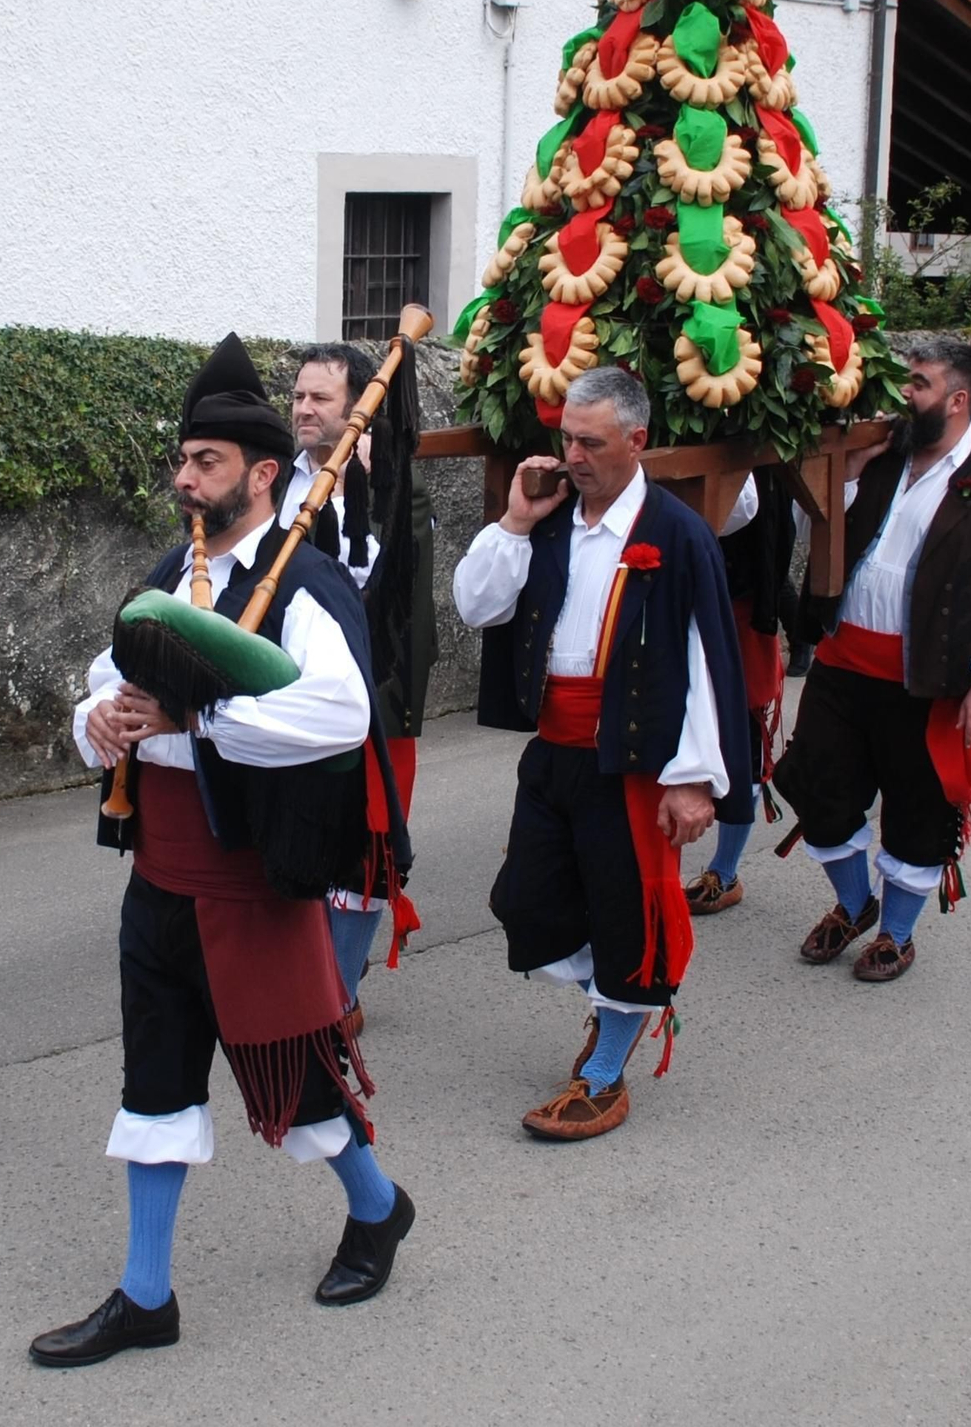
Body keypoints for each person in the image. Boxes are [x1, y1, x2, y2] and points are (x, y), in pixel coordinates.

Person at [32, 335, 413, 1367]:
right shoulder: (170, 572)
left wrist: (192, 723)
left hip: (249, 885)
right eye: (182, 460)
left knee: (293, 1090)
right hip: (159, 879)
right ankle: (143, 1294)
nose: (183, 479)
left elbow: (337, 716)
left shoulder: (308, 585)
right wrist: (99, 724)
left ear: (264, 475)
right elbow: (108, 682)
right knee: (154, 1086)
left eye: (205, 463)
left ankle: (377, 1209)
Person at [452, 368, 752, 1141]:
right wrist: (515, 519)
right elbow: (477, 603)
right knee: (527, 902)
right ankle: (611, 1006)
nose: (572, 455)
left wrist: (692, 780)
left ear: (637, 440)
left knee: (628, 915)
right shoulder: (547, 518)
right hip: (554, 750)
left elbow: (705, 662)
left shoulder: (675, 533)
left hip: (633, 759)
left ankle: (606, 1065)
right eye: (567, 438)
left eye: (590, 441)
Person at [778, 335, 971, 982]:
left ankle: (896, 933)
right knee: (820, 789)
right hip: (844, 661)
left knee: (917, 808)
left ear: (957, 400)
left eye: (919, 384)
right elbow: (814, 517)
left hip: (927, 679)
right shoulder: (880, 456)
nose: (905, 394)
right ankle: (854, 902)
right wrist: (843, 469)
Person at [287, 343, 436, 1026]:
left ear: (357, 413)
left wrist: (366, 499)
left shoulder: (395, 491)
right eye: (298, 396)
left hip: (374, 696)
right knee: (297, 841)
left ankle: (337, 994)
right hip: (287, 694)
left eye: (321, 399)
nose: (304, 409)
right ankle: (304, 975)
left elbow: (380, 594)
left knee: (365, 850)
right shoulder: (273, 479)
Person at [686, 468, 787, 917]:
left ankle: (725, 871)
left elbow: (739, 510)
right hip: (676, 591)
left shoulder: (758, 434)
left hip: (737, 598)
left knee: (739, 736)